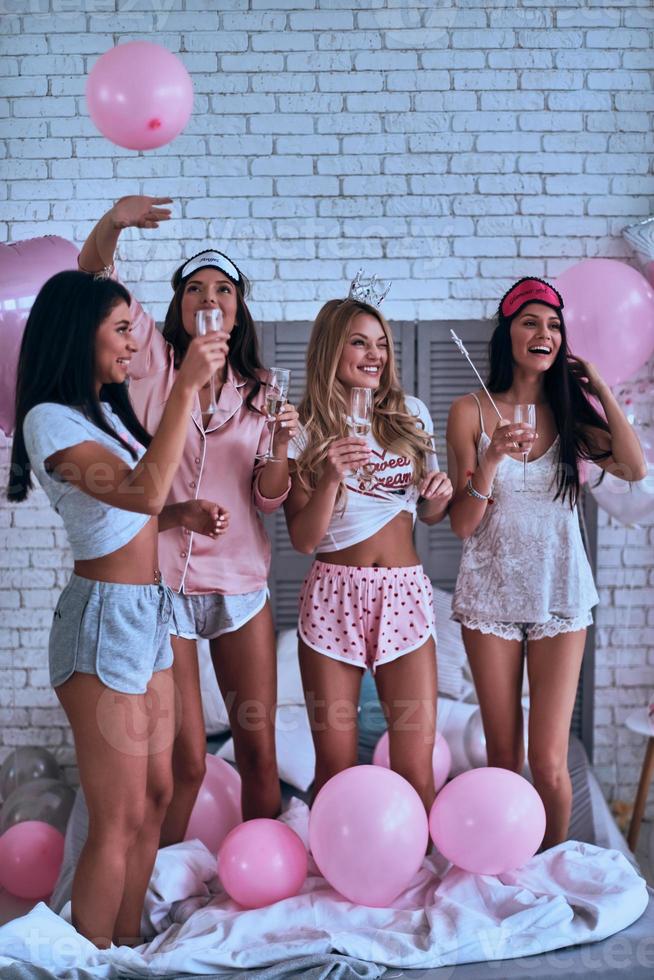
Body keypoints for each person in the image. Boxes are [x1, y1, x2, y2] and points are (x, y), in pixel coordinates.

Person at [8, 270, 227, 946]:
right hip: (101, 620)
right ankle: (93, 956)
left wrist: (177, 514)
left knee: (156, 797)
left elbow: (130, 512)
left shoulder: (104, 410)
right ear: (80, 334)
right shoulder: (49, 419)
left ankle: (127, 947)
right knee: (120, 813)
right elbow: (138, 492)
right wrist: (186, 386)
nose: (135, 343)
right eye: (121, 329)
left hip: (147, 611)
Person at [78, 196, 298, 838]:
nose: (209, 298)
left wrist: (284, 445)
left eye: (222, 289)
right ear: (178, 306)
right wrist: (114, 221)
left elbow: (268, 498)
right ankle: (166, 884)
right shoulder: (151, 365)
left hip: (240, 589)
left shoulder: (262, 390)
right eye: (195, 288)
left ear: (237, 306)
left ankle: (254, 898)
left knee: (259, 752)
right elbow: (94, 284)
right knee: (185, 762)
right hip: (161, 585)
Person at [446, 276, 646, 848]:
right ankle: (510, 863)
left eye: (554, 324)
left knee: (551, 764)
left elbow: (633, 468)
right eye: (531, 321)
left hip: (560, 592)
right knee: (504, 760)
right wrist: (487, 461)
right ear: (508, 331)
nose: (544, 333)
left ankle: (552, 867)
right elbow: (462, 524)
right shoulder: (469, 411)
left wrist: (601, 386)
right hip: (490, 595)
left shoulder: (567, 410)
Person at [284, 279, 453, 810]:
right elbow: (303, 540)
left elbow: (426, 513)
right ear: (332, 349)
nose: (375, 354)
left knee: (414, 764)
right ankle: (334, 876)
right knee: (334, 767)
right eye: (360, 342)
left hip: (404, 592)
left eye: (381, 343)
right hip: (333, 594)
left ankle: (417, 885)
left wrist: (440, 493)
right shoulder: (301, 430)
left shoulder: (411, 414)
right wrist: (331, 474)